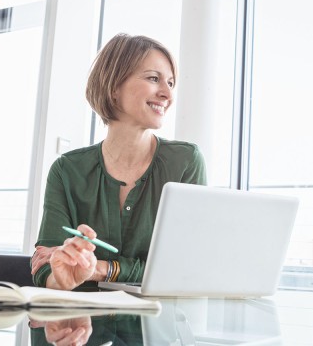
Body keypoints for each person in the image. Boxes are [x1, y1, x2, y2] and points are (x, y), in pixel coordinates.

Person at [31, 33, 207, 291]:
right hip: (82, 323)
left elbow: (184, 266)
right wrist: (61, 277)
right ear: (114, 87)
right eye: (153, 78)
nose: (167, 93)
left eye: (170, 83)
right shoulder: (67, 170)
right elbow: (44, 263)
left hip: (158, 325)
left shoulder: (185, 161)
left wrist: (103, 269)